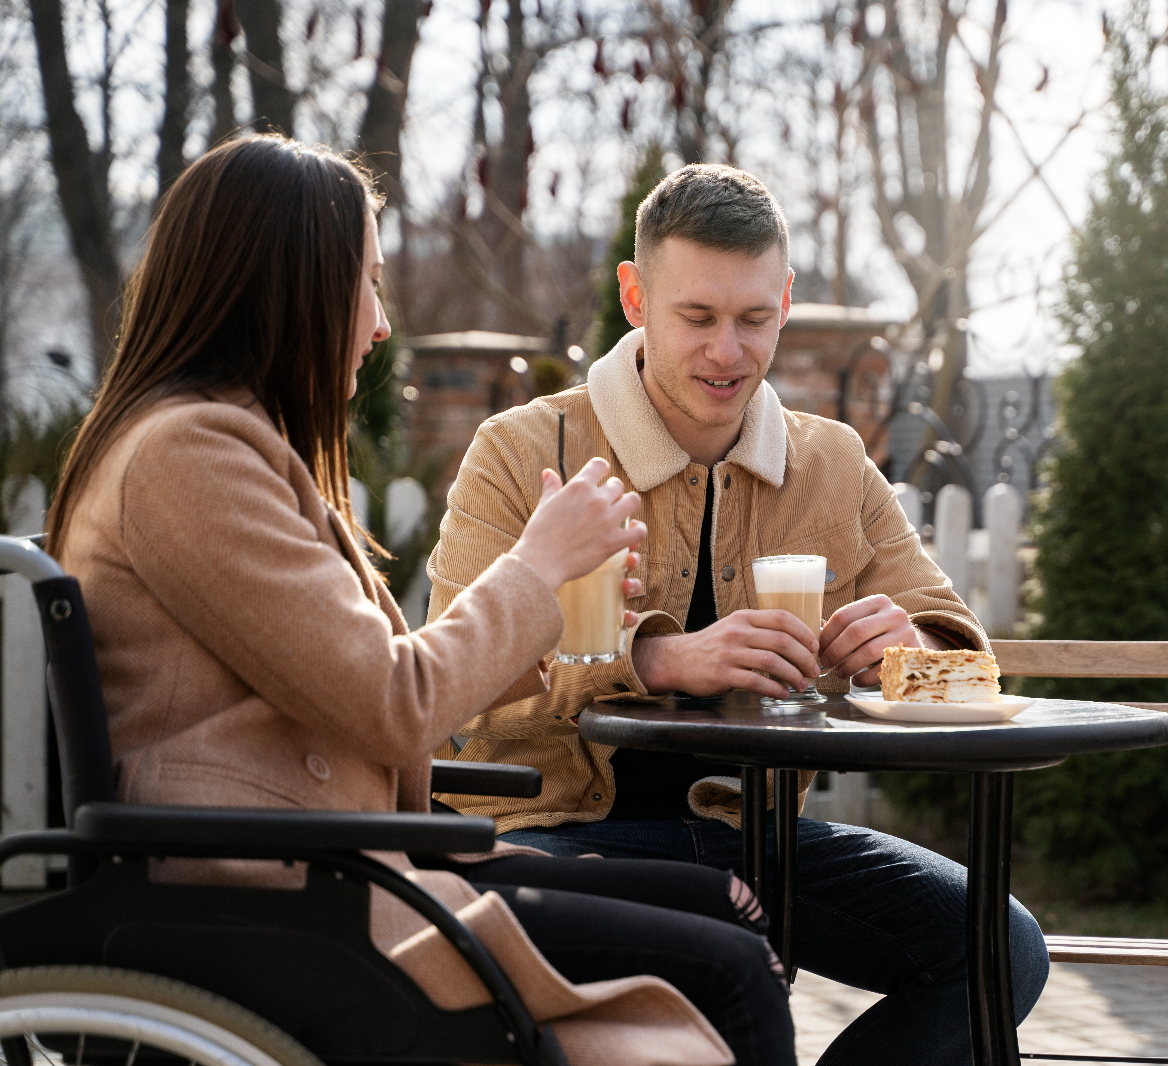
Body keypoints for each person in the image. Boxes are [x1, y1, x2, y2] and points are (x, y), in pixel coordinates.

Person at [45, 135, 797, 1066]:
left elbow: (387, 687)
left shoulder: (208, 445)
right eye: (365, 284)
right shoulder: (187, 459)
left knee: (729, 909)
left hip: (331, 869)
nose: (380, 323)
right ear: (288, 290)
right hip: (275, 898)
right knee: (731, 966)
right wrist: (535, 567)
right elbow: (393, 702)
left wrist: (551, 593)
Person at [428, 163, 1050, 1065]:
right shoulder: (525, 450)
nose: (729, 351)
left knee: (1000, 946)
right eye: (699, 318)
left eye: (754, 318)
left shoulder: (830, 462)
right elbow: (454, 684)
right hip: (547, 834)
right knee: (720, 958)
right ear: (635, 297)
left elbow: (958, 644)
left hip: (745, 836)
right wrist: (658, 661)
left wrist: (908, 648)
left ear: (787, 301)